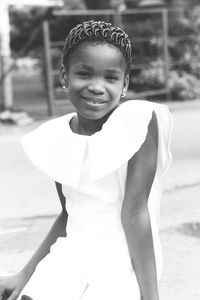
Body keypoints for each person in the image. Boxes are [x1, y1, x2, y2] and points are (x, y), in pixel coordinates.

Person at [0, 20, 172, 300]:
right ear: (64, 76)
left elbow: (135, 214)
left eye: (111, 77)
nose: (96, 87)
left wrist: (151, 297)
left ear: (125, 83)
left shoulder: (138, 123)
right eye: (84, 73)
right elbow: (69, 213)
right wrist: (26, 273)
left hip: (121, 261)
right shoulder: (56, 137)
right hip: (71, 256)